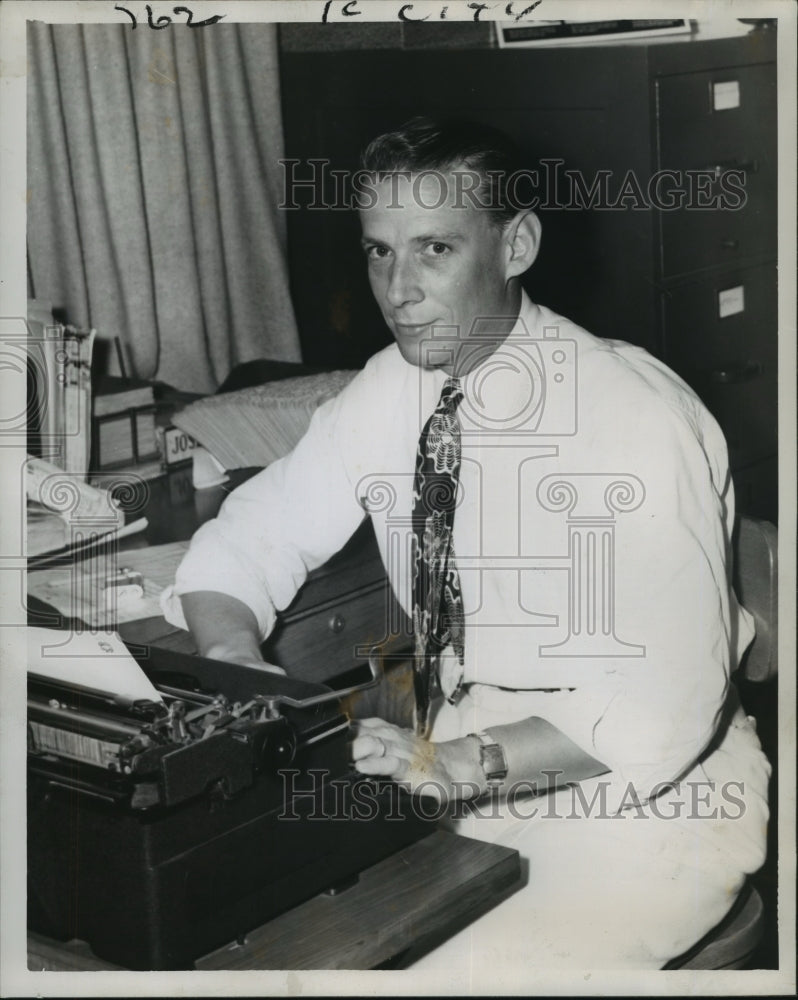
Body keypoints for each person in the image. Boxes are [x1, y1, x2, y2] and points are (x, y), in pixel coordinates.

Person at [161, 118, 770, 972]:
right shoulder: (394, 388)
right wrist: (236, 660)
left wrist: (463, 759)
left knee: (453, 976)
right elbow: (247, 541)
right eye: (378, 252)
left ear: (515, 244)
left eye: (434, 249)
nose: (397, 289)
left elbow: (660, 704)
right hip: (457, 752)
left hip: (644, 793)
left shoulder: (630, 416)